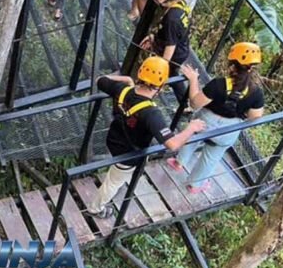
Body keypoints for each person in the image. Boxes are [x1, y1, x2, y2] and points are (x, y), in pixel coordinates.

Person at [88, 56, 206, 218]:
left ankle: (115, 179)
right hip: (129, 154)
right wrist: (191, 128)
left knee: (116, 173)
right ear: (162, 86)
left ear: (140, 75)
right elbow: (172, 144)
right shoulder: (151, 114)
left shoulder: (122, 90)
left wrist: (127, 80)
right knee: (114, 182)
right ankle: (96, 208)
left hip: (114, 139)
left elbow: (100, 80)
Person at [168, 42, 265, 193]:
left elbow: (194, 103)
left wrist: (193, 79)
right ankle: (194, 186)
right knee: (212, 157)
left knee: (192, 135)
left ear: (231, 65)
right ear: (251, 68)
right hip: (229, 130)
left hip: (205, 121)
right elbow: (255, 117)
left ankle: (179, 163)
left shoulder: (218, 85)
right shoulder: (256, 92)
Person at [140, 0, 192, 103]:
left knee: (163, 75)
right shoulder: (180, 4)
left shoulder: (171, 19)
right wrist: (153, 37)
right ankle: (185, 102)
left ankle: (148, 94)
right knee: (172, 74)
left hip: (173, 53)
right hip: (181, 47)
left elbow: (170, 45)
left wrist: (161, 66)